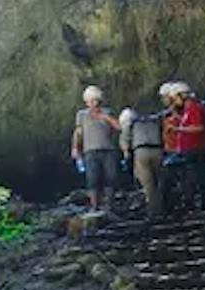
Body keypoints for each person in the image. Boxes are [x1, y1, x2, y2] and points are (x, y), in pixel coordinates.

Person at [162, 80, 205, 212]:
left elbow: (198, 128)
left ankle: (201, 204)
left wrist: (178, 129)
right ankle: (193, 203)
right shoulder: (187, 111)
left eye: (175, 98)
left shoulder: (194, 108)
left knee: (195, 177)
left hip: (194, 147)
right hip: (188, 148)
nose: (174, 102)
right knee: (192, 177)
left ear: (181, 96)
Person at [71, 84, 119, 213]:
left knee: (111, 177)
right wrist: (75, 148)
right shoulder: (81, 115)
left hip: (108, 149)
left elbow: (118, 127)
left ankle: (110, 205)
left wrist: (105, 117)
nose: (93, 103)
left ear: (99, 100)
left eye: (95, 100)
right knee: (92, 179)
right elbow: (78, 132)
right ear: (86, 101)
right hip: (90, 150)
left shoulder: (108, 112)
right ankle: (94, 206)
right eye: (89, 101)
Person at [123, 99, 166, 220]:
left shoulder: (131, 121)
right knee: (159, 180)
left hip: (141, 151)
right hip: (158, 150)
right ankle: (163, 207)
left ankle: (154, 212)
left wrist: (126, 153)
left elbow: (125, 139)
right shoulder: (156, 120)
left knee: (148, 184)